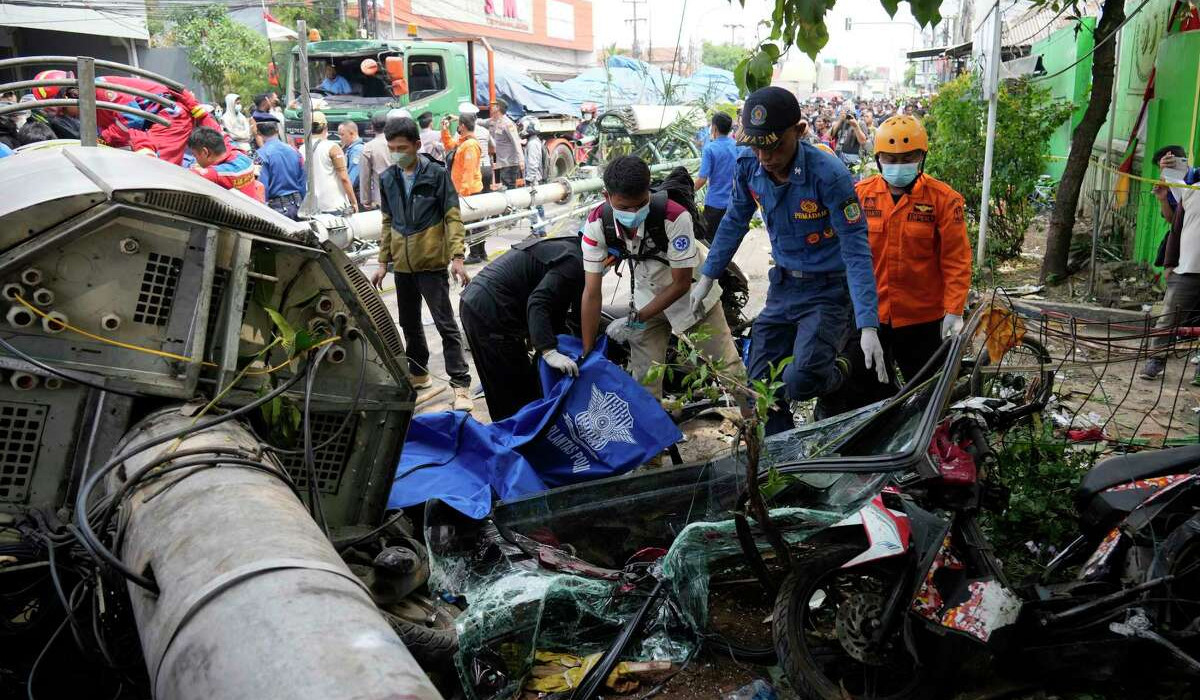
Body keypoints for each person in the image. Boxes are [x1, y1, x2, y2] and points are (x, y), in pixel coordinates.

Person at [692, 86, 884, 435]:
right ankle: (780, 454)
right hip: (783, 287)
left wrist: (868, 323)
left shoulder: (829, 174)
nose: (764, 156)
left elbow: (856, 247)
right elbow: (735, 219)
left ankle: (841, 368)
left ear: (799, 131)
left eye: (774, 145)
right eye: (756, 145)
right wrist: (707, 275)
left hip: (827, 291)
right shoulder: (749, 165)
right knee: (760, 384)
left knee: (800, 381)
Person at [580, 156, 746, 403]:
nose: (634, 213)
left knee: (728, 367)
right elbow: (592, 293)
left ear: (648, 191)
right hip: (647, 298)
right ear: (607, 197)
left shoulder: (674, 216)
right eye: (625, 208)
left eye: (640, 204)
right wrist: (587, 352)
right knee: (644, 378)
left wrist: (635, 320)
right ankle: (656, 438)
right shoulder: (596, 225)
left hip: (693, 296)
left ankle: (754, 425)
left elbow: (681, 283)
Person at [847, 115, 970, 404]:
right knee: (865, 390)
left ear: (922, 157)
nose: (898, 166)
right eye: (890, 159)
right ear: (878, 159)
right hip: (871, 315)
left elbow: (956, 259)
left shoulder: (944, 199)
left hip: (923, 319)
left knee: (930, 395)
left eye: (908, 158)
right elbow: (846, 254)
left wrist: (954, 309)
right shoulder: (860, 197)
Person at [369, 117, 473, 412]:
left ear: (417, 145)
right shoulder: (388, 178)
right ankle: (419, 373)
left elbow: (453, 217)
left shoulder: (437, 174)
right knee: (409, 324)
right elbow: (387, 222)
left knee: (445, 324)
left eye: (402, 147)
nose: (397, 153)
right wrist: (382, 262)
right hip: (402, 265)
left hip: (431, 263)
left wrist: (457, 257)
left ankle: (460, 384)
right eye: (392, 148)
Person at [460, 235, 585, 420]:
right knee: (512, 393)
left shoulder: (568, 246)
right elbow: (539, 302)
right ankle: (516, 442)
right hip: (490, 309)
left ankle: (514, 437)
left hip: (478, 300)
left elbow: (560, 310)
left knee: (504, 386)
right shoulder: (575, 261)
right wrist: (548, 350)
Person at [1142, 145, 1200, 380]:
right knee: (1168, 318)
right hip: (1187, 269)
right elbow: (1174, 228)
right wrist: (1169, 264)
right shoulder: (1192, 186)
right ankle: (1156, 359)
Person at [301, 111, 358, 215]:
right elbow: (344, 178)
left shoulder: (302, 148)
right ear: (325, 127)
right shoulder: (332, 147)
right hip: (335, 206)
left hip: (313, 207)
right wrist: (354, 202)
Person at [694, 112, 737, 244]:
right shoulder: (738, 146)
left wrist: (687, 191)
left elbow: (702, 179)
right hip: (733, 203)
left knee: (708, 241)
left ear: (714, 128)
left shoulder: (710, 149)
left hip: (714, 204)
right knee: (726, 241)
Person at [187, 126, 262, 201]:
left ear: (205, 152)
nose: (195, 158)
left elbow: (185, 175)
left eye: (195, 155)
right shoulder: (241, 154)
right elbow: (224, 135)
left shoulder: (219, 173)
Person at [255, 118, 306, 219]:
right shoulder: (294, 151)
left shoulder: (261, 155)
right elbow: (302, 182)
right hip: (298, 204)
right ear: (277, 131)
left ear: (259, 133)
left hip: (276, 208)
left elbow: (262, 187)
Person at [440, 112, 484, 203]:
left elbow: (469, 172)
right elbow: (449, 145)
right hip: (463, 191)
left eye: (458, 125)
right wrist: (445, 130)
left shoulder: (470, 145)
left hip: (469, 193)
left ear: (462, 126)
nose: (458, 128)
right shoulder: (464, 142)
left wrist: (463, 194)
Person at [358, 111, 391, 210]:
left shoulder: (368, 147)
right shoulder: (400, 143)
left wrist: (366, 200)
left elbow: (365, 176)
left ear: (372, 127)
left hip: (381, 200)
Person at [522, 117, 548, 233]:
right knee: (539, 206)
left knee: (533, 206)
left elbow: (533, 163)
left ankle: (536, 231)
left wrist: (530, 179)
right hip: (538, 178)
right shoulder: (535, 141)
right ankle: (541, 230)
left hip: (534, 179)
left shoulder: (532, 144)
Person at [831, 107, 868, 177]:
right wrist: (840, 119)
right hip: (840, 154)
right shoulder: (843, 122)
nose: (848, 117)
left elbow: (863, 142)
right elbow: (832, 135)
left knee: (853, 179)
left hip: (854, 157)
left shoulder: (860, 123)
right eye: (846, 114)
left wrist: (856, 126)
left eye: (850, 114)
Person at [338, 120, 365, 190]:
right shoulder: (350, 149)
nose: (340, 138)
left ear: (352, 133)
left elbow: (352, 178)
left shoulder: (357, 150)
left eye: (342, 134)